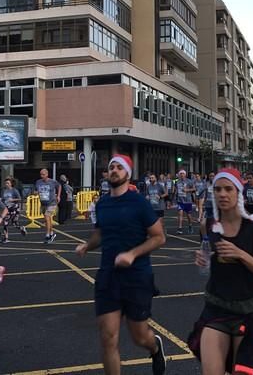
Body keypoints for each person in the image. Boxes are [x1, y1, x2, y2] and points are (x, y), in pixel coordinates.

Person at [187, 168, 253, 375]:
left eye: (228, 189)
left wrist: (241, 254)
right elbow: (207, 258)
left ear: (238, 192)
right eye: (217, 189)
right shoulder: (208, 225)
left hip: (247, 312)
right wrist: (203, 260)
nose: (222, 194)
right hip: (216, 308)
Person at [75, 154, 167, 375]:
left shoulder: (139, 203)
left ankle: (154, 346)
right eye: (111, 167)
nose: (114, 170)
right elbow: (100, 233)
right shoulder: (103, 203)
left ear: (128, 174)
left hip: (136, 276)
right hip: (108, 275)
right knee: (108, 338)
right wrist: (87, 245)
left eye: (119, 167)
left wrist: (133, 254)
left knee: (139, 336)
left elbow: (158, 237)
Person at [36, 168, 61, 244]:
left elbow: (59, 186)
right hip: (43, 203)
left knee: (47, 217)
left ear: (47, 174)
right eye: (41, 174)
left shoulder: (52, 182)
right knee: (48, 219)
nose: (42, 176)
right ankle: (51, 233)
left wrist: (58, 196)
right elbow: (36, 190)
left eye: (43, 174)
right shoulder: (38, 182)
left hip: (51, 202)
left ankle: (47, 235)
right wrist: (36, 193)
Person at [1, 177, 25, 242]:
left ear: (11, 184)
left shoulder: (14, 190)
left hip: (14, 208)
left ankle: (21, 228)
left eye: (8, 183)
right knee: (5, 222)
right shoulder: (4, 191)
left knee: (14, 223)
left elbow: (20, 198)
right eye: (6, 183)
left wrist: (12, 200)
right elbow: (3, 199)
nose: (6, 184)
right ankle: (6, 238)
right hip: (7, 208)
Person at [175, 170, 196, 235]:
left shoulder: (189, 181)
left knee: (189, 215)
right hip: (180, 200)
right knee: (180, 214)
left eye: (183, 173)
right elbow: (176, 190)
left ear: (185, 174)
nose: (181, 175)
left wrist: (187, 190)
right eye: (180, 174)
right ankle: (180, 228)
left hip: (187, 201)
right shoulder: (177, 181)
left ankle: (190, 225)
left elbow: (194, 189)